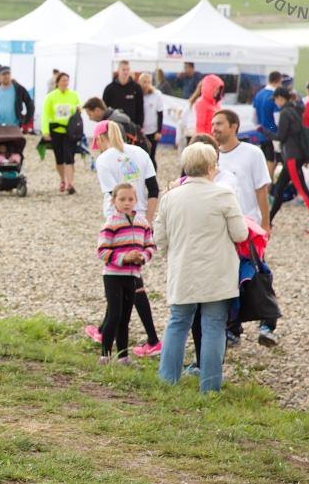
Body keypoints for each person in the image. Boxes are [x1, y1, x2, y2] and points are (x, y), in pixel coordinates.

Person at [155, 143, 249, 393]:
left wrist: (171, 254)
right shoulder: (223, 195)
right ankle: (210, 386)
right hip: (217, 272)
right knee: (214, 326)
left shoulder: (170, 197)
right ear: (211, 167)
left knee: (178, 322)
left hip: (183, 269)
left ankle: (167, 381)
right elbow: (240, 234)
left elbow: (159, 237)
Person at [85, 120, 161, 356]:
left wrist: (123, 221)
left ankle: (152, 338)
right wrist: (146, 220)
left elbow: (114, 195)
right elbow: (154, 189)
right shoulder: (140, 152)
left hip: (118, 222)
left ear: (100, 139)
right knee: (128, 279)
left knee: (129, 281)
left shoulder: (104, 159)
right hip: (140, 220)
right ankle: (104, 329)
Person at [211, 109, 278, 346]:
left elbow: (261, 190)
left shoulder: (252, 153)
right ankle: (232, 328)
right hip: (222, 229)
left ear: (234, 126)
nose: (214, 128)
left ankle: (268, 324)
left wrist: (265, 223)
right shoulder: (211, 156)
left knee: (257, 276)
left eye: (219, 124)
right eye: (212, 124)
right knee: (229, 280)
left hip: (250, 227)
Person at [96, 183, 156, 363]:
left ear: (136, 200)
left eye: (130, 199)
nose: (126, 203)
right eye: (122, 199)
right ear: (113, 201)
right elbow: (102, 251)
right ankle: (105, 355)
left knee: (125, 318)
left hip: (132, 276)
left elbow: (150, 246)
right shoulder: (111, 223)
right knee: (114, 315)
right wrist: (124, 257)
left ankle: (123, 357)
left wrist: (142, 257)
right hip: (113, 276)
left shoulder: (143, 223)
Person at [270, 87, 309, 234]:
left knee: (302, 190)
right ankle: (268, 221)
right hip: (298, 154)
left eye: (275, 99)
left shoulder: (285, 113)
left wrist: (264, 132)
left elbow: (281, 136)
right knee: (279, 187)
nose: (275, 103)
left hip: (292, 156)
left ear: (280, 98)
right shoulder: (296, 110)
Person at [42, 72, 81, 194]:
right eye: (63, 80)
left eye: (67, 80)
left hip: (70, 132)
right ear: (57, 82)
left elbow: (78, 111)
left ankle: (70, 183)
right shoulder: (51, 97)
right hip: (56, 131)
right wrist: (45, 131)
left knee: (69, 157)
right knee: (59, 159)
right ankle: (63, 180)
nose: (65, 83)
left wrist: (79, 111)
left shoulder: (74, 95)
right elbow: (45, 115)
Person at [0, 66, 35, 132]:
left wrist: (26, 120)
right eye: (4, 74)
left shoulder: (19, 89)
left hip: (15, 127)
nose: (6, 76)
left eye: (8, 74)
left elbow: (30, 104)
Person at [252, 70, 283, 178]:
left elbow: (254, 117)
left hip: (261, 132)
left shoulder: (258, 94)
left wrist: (259, 126)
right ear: (278, 81)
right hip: (273, 132)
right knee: (272, 160)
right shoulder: (274, 96)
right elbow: (277, 120)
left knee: (265, 159)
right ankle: (268, 185)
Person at [102, 60, 144, 133]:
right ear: (118, 70)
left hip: (131, 127)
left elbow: (140, 109)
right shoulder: (109, 88)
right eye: (123, 69)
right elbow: (104, 109)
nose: (126, 72)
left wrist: (139, 126)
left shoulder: (136, 88)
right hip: (114, 128)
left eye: (128, 69)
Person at [138, 72, 163, 165]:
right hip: (140, 131)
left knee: (151, 155)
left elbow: (160, 113)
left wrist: (159, 131)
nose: (147, 84)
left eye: (149, 82)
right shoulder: (137, 94)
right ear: (140, 82)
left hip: (153, 131)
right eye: (144, 82)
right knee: (141, 155)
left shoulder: (157, 94)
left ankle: (152, 173)